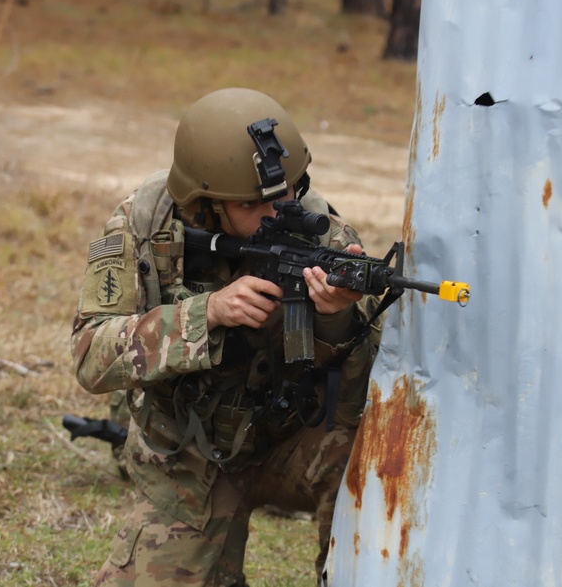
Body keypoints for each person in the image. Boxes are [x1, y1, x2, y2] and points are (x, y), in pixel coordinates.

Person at [71, 87, 382, 586]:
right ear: (206, 203)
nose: (277, 214)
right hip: (188, 455)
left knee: (370, 455)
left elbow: (359, 387)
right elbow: (90, 355)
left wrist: (335, 320)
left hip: (291, 444)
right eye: (252, 205)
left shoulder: (325, 235)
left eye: (287, 196)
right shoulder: (146, 224)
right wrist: (205, 314)